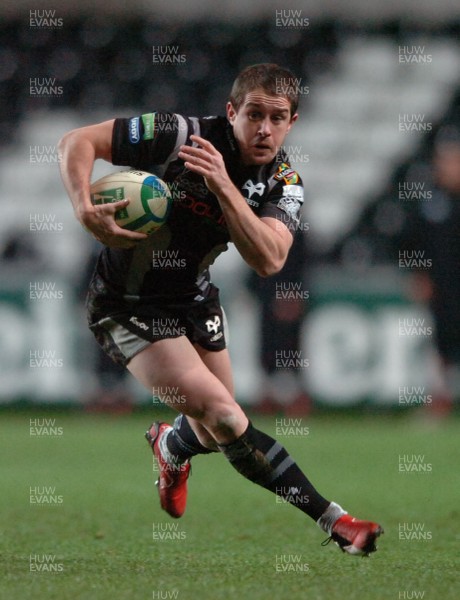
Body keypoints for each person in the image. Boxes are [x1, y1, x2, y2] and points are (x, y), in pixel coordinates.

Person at [59, 63, 382, 555]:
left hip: (194, 299)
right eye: (254, 114)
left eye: (278, 118)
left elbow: (270, 259)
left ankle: (172, 447)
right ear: (232, 112)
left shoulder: (285, 182)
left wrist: (224, 188)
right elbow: (77, 141)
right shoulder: (178, 136)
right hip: (127, 304)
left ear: (292, 122)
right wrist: (83, 205)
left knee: (213, 432)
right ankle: (336, 521)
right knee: (227, 418)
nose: (264, 129)